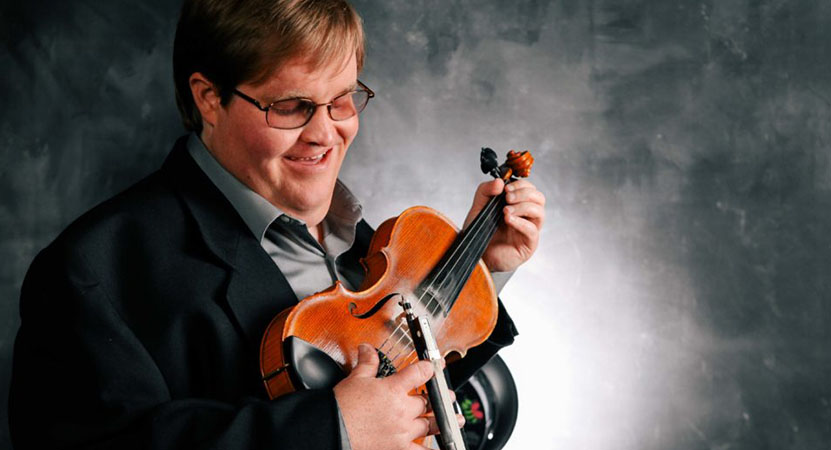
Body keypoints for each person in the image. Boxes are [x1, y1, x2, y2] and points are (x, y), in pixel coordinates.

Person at [8, 0, 546, 449]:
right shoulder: (89, 274)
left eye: (342, 101)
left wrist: (476, 269)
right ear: (209, 98)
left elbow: (403, 397)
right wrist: (331, 429)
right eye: (291, 107)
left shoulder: (360, 244)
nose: (325, 134)